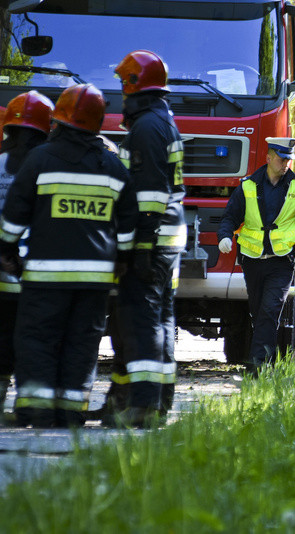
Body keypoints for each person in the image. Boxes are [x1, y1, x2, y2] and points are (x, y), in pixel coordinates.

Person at [0, 84, 137, 427]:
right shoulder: (112, 165)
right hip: (94, 279)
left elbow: (15, 214)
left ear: (57, 119)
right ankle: (70, 412)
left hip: (45, 277)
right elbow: (128, 223)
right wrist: (122, 260)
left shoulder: (39, 159)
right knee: (81, 343)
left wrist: (8, 251)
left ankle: (36, 410)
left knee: (38, 339)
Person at [101, 50, 186, 428]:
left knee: (142, 321)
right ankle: (157, 402)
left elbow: (150, 193)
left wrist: (142, 245)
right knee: (161, 320)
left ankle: (144, 406)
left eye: (123, 84)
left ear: (134, 85)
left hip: (153, 239)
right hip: (166, 237)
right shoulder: (159, 121)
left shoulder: (148, 127)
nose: (120, 91)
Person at [217, 137, 295, 371]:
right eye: (282, 159)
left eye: (289, 160)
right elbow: (231, 217)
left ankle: (257, 366)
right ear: (268, 158)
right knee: (258, 312)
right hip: (252, 262)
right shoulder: (248, 186)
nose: (286, 164)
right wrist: (224, 236)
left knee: (269, 311)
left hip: (282, 263)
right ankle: (266, 362)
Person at [0, 90, 54, 416]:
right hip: (37, 276)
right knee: (35, 343)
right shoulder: (48, 166)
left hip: (2, 274)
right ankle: (30, 406)